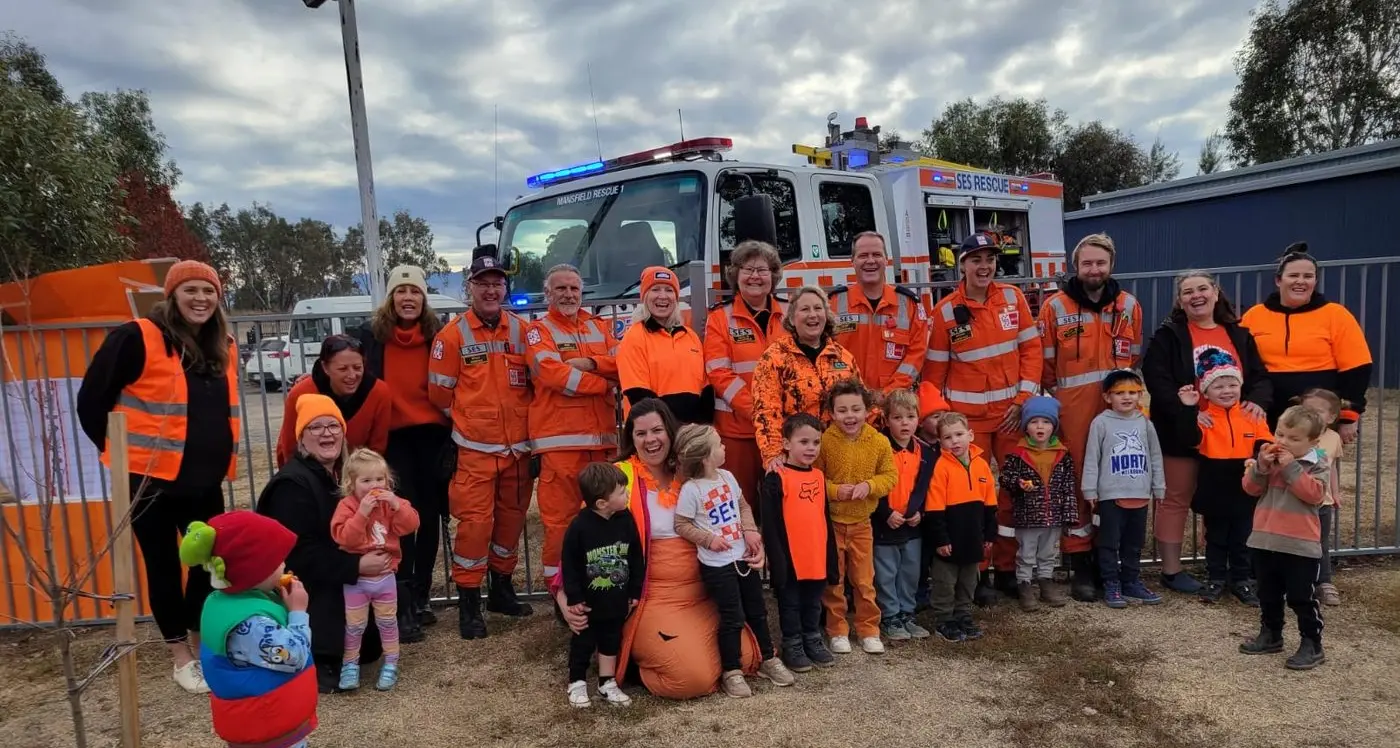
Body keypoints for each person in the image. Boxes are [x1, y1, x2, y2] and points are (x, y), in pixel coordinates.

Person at [76, 259, 241, 693]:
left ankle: (199, 640)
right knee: (164, 565)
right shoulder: (136, 337)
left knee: (209, 563)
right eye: (191, 290)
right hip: (150, 482)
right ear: (172, 295)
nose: (201, 299)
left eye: (208, 291)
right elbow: (91, 400)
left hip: (204, 479)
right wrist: (118, 454)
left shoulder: (222, 344)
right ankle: (179, 655)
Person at [551, 399, 759, 700]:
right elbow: (580, 540)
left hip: (705, 591)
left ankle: (682, 655)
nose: (650, 440)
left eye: (657, 430)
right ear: (631, 439)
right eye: (641, 433)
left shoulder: (694, 470)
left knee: (747, 658)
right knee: (691, 679)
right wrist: (563, 598)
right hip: (652, 597)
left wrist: (751, 538)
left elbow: (734, 508)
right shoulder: (617, 479)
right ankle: (636, 663)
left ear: (670, 432)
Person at [923, 232, 1042, 603]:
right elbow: (933, 375)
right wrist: (944, 422)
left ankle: (1007, 570)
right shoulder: (944, 313)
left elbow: (1032, 351)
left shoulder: (1013, 298)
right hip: (968, 425)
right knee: (971, 499)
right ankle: (977, 574)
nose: (984, 266)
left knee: (1011, 493)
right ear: (962, 265)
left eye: (990, 259)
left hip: (1010, 417)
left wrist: (1022, 401)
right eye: (976, 259)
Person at [1142, 270, 1272, 595]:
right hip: (1183, 432)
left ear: (1216, 293)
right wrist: (1188, 413)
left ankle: (1234, 569)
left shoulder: (1238, 334)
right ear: (1180, 300)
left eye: (1202, 289)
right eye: (1188, 291)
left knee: (1234, 501)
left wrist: (1257, 401)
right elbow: (1157, 380)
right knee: (1176, 498)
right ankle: (1171, 570)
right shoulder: (1168, 336)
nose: (1196, 296)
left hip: (1232, 438)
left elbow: (1259, 376)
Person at [429, 255, 535, 639]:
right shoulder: (451, 336)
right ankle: (470, 602)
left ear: (505, 288)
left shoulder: (523, 331)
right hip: (474, 451)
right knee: (474, 527)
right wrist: (473, 422)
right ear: (470, 287)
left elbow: (537, 381)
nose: (491, 290)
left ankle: (501, 590)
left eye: (497, 283)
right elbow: (440, 395)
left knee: (511, 521)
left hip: (518, 450)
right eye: (483, 283)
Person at [1037, 234, 1143, 602]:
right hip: (1075, 410)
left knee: (1117, 482)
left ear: (1111, 265)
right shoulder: (1054, 307)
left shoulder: (1129, 306)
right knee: (1080, 483)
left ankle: (1109, 561)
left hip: (1119, 410)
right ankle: (1081, 563)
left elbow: (1133, 356)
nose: (1094, 269)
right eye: (1087, 263)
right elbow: (1045, 365)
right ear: (1076, 266)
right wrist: (1064, 400)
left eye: (1100, 263)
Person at [258, 395, 385, 693]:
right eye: (315, 427)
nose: (327, 433)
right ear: (301, 437)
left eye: (333, 426)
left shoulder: (334, 476)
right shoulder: (292, 485)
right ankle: (319, 656)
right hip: (298, 584)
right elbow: (299, 556)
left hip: (332, 571)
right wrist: (357, 565)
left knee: (373, 641)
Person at [353, 264, 451, 641]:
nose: (408, 298)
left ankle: (421, 595)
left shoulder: (438, 335)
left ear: (423, 298)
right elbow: (342, 366)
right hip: (392, 439)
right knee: (396, 517)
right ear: (391, 298)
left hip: (433, 436)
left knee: (428, 517)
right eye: (401, 291)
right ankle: (402, 599)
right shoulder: (369, 336)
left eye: (415, 291)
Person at [673, 424, 794, 697]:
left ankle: (768, 658)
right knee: (732, 617)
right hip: (717, 566)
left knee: (758, 610)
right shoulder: (692, 490)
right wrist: (708, 539)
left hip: (742, 558)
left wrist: (750, 530)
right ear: (706, 457)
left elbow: (742, 505)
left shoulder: (727, 477)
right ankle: (731, 670)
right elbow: (681, 524)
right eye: (719, 444)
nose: (724, 447)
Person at [179, 512, 317, 748]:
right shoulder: (251, 623)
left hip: (258, 722)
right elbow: (294, 656)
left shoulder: (221, 601)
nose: (284, 565)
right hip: (268, 728)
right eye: (278, 561)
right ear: (255, 570)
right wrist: (297, 612)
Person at [527, 264, 621, 590]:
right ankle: (561, 592)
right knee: (560, 525)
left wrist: (591, 364)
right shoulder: (538, 331)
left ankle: (604, 588)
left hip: (602, 444)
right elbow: (553, 374)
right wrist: (602, 384)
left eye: (574, 289)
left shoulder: (599, 326)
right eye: (561, 288)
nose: (568, 294)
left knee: (606, 519)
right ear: (548, 294)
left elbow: (621, 363)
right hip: (560, 446)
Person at [1241, 245, 1372, 438]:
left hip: (1318, 414)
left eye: (1308, 276)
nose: (1300, 281)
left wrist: (1349, 415)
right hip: (1265, 412)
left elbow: (1357, 369)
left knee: (1317, 458)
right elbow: (1241, 363)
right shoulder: (1254, 316)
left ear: (1315, 281)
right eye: (1293, 275)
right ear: (1278, 280)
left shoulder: (1336, 315)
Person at [1240, 405, 1331, 670]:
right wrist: (1260, 467)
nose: (1283, 442)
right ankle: (1271, 634)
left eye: (1294, 438)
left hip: (1299, 544)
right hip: (1265, 539)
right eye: (1279, 434)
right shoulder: (1269, 462)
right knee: (1267, 592)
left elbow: (1314, 495)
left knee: (1301, 597)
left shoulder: (1317, 464)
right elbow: (1250, 488)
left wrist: (1291, 468)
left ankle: (1312, 643)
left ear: (1313, 442)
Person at [814, 379, 898, 655]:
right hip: (831, 524)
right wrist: (835, 491)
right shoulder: (824, 441)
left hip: (862, 524)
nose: (849, 416)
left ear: (867, 410)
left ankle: (868, 629)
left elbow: (890, 476)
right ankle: (837, 630)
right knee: (834, 581)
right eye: (842, 410)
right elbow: (814, 478)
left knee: (864, 581)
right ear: (831, 413)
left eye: (856, 409)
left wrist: (870, 486)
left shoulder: (879, 442)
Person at [1179, 362, 1274, 605]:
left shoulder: (1252, 415)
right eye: (1218, 386)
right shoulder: (1204, 418)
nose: (1227, 391)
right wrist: (1190, 410)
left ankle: (1241, 579)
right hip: (1215, 486)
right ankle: (1216, 578)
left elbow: (1265, 442)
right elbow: (1189, 438)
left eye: (1232, 385)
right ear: (1206, 392)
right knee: (1216, 537)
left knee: (1243, 537)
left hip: (1245, 486)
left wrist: (1260, 456)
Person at [705, 240, 787, 512]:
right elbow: (719, 372)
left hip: (784, 430)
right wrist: (760, 412)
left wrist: (779, 416)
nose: (755, 276)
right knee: (741, 506)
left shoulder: (790, 312)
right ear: (735, 274)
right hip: (738, 432)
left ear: (773, 275)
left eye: (762, 270)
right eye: (747, 269)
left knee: (783, 506)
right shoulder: (720, 317)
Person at [329, 448, 420, 692]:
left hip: (386, 577)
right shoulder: (347, 506)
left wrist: (397, 505)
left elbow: (410, 525)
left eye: (380, 479)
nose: (374, 486)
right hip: (357, 581)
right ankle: (350, 664)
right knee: (354, 625)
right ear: (351, 483)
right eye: (366, 480)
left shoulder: (391, 504)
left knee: (387, 622)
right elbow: (345, 539)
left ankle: (391, 662)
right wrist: (362, 514)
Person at [561, 462, 644, 708]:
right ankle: (576, 681)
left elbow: (635, 557)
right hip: (588, 602)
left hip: (617, 599)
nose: (627, 495)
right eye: (622, 492)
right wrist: (574, 597)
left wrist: (635, 591)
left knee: (611, 640)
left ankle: (607, 682)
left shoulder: (626, 520)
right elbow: (569, 564)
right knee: (583, 641)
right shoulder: (579, 527)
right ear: (602, 503)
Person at [751, 286, 861, 472]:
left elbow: (860, 404)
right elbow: (766, 410)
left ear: (826, 315)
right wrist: (773, 453)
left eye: (818, 308)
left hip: (839, 456)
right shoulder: (774, 358)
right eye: (805, 309)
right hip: (795, 460)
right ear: (792, 319)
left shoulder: (843, 357)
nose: (813, 315)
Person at [760, 413, 838, 673]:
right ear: (786, 443)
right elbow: (770, 523)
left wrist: (830, 556)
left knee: (813, 602)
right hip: (790, 557)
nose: (811, 448)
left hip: (815, 555)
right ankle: (792, 644)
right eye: (803, 442)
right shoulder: (776, 477)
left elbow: (824, 517)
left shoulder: (818, 476)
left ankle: (812, 638)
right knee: (790, 603)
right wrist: (776, 559)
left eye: (816, 442)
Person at [1082, 371, 1166, 609]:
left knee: (1134, 542)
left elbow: (1155, 456)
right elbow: (1092, 458)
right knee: (1109, 542)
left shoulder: (1145, 423)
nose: (1127, 397)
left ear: (1140, 395)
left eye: (1132, 392)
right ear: (1107, 397)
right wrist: (1089, 490)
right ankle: (1111, 582)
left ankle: (1131, 580)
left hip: (1139, 493)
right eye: (1120, 393)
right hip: (1111, 495)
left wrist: (1159, 487)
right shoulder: (1100, 423)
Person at [996, 396, 1076, 612]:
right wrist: (1018, 483)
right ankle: (1024, 585)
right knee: (1026, 553)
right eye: (1034, 421)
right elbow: (1004, 478)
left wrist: (1069, 515)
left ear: (1054, 427)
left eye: (1046, 422)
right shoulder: (1017, 454)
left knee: (1048, 552)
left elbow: (1068, 486)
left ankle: (1045, 582)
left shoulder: (1063, 454)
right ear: (1025, 427)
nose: (1040, 426)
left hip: (1053, 515)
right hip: (1028, 516)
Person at [827, 231, 929, 397]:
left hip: (893, 403)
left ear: (886, 260)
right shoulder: (833, 303)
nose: (870, 261)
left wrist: (888, 393)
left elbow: (916, 355)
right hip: (847, 402)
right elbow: (825, 354)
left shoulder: (910, 304)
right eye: (863, 255)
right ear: (852, 261)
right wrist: (851, 395)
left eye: (876, 255)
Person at [924, 412, 997, 642]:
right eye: (947, 437)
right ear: (940, 442)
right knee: (945, 581)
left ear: (970, 435)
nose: (954, 441)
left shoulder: (982, 465)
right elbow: (934, 508)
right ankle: (944, 619)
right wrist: (941, 539)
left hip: (973, 536)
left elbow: (990, 504)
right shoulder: (940, 467)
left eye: (959, 434)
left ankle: (963, 614)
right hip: (949, 538)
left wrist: (989, 534)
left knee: (968, 580)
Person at [275, 335, 392, 468]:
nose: (352, 375)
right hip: (310, 470)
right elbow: (290, 446)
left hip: (358, 471)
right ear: (325, 367)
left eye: (357, 367)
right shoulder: (301, 393)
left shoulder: (378, 392)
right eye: (342, 369)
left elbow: (377, 448)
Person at [872, 390, 933, 640]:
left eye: (910, 417)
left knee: (910, 571)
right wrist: (885, 513)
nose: (905, 423)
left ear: (918, 419)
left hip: (912, 523)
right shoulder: (878, 447)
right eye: (897, 418)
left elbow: (927, 487)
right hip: (885, 523)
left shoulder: (925, 451)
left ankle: (907, 613)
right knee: (886, 572)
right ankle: (890, 616)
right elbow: (872, 485)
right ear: (886, 420)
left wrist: (921, 511)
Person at [617, 266, 713, 424]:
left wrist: (702, 427)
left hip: (691, 432)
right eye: (655, 289)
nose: (663, 296)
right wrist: (668, 428)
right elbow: (637, 394)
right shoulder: (634, 337)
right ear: (645, 296)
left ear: (676, 297)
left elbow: (706, 388)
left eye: (669, 290)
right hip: (654, 431)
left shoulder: (690, 336)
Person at [1294, 389, 1350, 606]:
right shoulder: (1295, 435)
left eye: (1318, 411)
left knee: (1321, 543)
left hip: (1322, 502)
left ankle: (1324, 582)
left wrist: (1335, 493)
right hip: (1297, 501)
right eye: (1306, 410)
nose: (1311, 416)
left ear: (1331, 417)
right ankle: (1295, 582)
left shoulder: (1334, 438)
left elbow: (1332, 467)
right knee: (1295, 543)